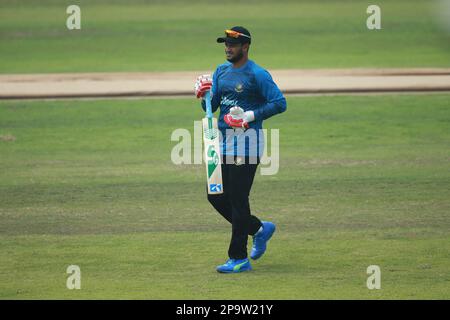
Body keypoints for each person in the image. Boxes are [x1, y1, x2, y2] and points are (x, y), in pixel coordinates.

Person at [194, 26, 287, 273]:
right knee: (214, 195)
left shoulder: (257, 74)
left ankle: (238, 258)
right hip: (221, 144)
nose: (228, 48)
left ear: (245, 47)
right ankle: (258, 229)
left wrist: (250, 114)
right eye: (225, 44)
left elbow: (279, 103)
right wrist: (204, 95)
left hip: (247, 145)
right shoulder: (221, 71)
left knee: (237, 198)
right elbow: (212, 107)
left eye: (233, 44)